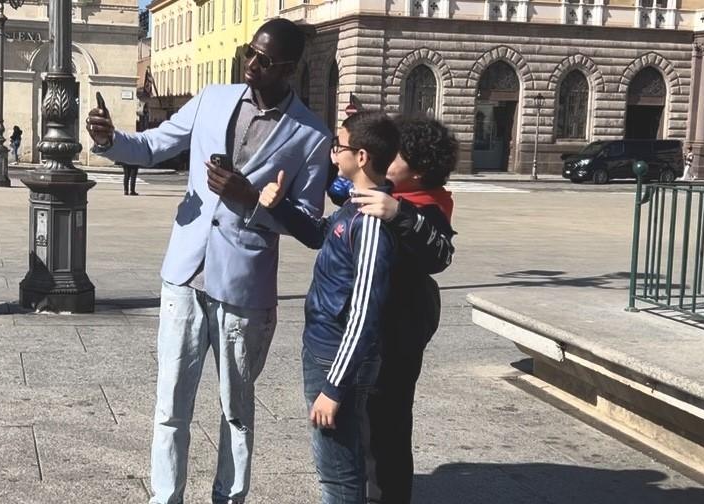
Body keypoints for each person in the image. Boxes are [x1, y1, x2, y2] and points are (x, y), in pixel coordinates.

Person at [85, 18, 331, 504]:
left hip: (244, 287)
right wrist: (111, 140)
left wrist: (251, 198)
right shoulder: (213, 99)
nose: (250, 64)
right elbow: (156, 144)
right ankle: (165, 498)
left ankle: (229, 497)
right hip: (184, 273)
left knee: (236, 410)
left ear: (288, 68)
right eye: (248, 52)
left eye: (263, 60)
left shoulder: (312, 134)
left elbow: (307, 220)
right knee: (170, 403)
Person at [258, 111, 401, 504]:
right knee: (336, 464)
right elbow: (322, 234)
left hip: (336, 358)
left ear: (361, 156)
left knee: (338, 474)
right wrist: (281, 207)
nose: (332, 152)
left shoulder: (370, 223)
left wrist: (334, 388)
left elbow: (365, 313)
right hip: (326, 348)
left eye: (338, 145)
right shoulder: (354, 206)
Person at [350, 117, 457, 504]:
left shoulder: (427, 206)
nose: (387, 159)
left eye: (396, 155)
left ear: (420, 171)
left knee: (388, 421)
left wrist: (399, 214)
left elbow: (440, 254)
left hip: (402, 324)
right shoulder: (389, 192)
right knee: (366, 421)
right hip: (377, 323)